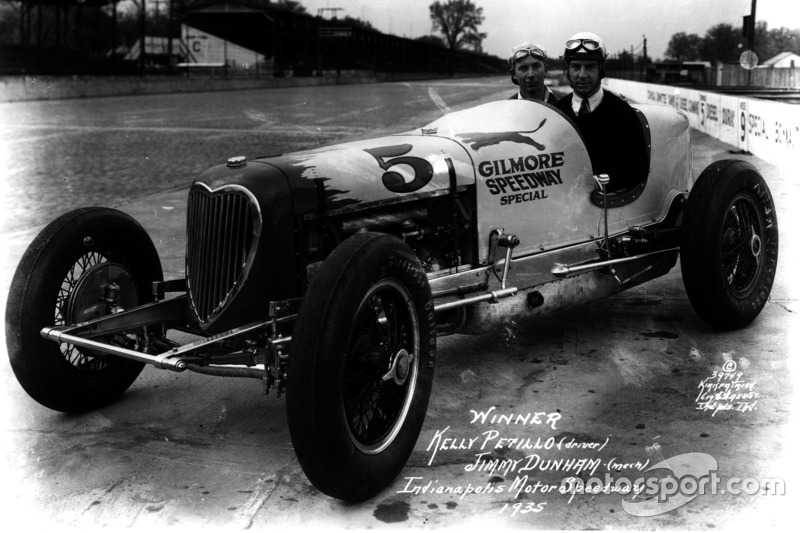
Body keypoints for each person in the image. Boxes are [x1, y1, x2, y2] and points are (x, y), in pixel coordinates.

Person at [555, 32, 648, 193]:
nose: (582, 75)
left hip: (607, 207)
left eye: (590, 67)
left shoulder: (623, 113)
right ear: (567, 70)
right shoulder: (557, 112)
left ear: (601, 69)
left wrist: (599, 182)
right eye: (576, 67)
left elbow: (638, 167)